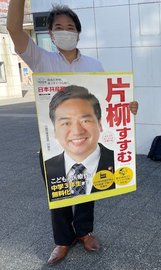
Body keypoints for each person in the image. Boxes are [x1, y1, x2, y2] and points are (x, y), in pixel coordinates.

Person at [7, 0, 138, 265]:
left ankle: (84, 232)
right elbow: (14, 29)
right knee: (59, 193)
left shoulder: (93, 64)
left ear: (78, 32)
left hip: (88, 139)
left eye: (70, 27)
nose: (65, 31)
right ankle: (63, 240)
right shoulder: (41, 59)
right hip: (57, 144)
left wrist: (127, 105)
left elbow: (105, 100)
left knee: (91, 188)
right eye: (58, 27)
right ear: (51, 34)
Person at [46, 85, 115, 201]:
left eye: (85, 120)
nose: (77, 131)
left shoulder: (119, 161)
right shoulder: (48, 166)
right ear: (54, 131)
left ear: (100, 124)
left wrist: (128, 110)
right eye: (66, 123)